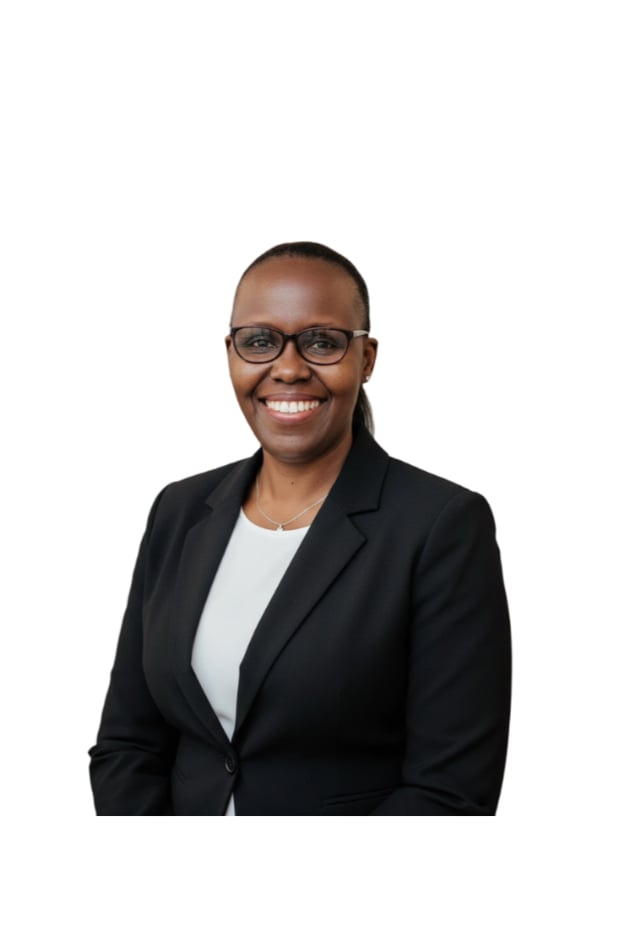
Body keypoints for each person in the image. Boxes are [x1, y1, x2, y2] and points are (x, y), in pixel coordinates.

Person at [89, 241, 511, 815]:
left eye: (323, 342)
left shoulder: (441, 526)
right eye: (259, 341)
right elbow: (128, 741)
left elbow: (449, 791)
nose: (288, 368)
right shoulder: (180, 511)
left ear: (366, 359)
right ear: (231, 353)